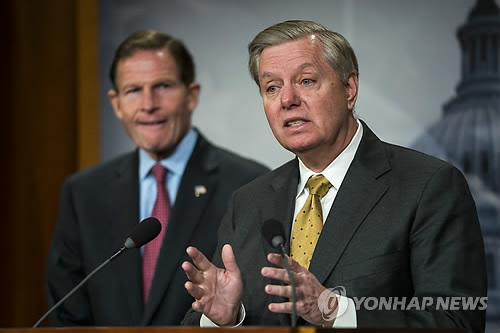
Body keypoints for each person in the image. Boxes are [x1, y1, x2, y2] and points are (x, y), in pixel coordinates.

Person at [181, 20, 487, 331]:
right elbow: (201, 320)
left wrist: (334, 312)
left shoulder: (428, 186)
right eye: (272, 87)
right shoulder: (247, 203)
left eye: (306, 80)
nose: (287, 99)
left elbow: (457, 319)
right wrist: (227, 319)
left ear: (349, 89)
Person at [45, 30, 269, 326]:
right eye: (133, 90)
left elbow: (260, 305)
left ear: (191, 95)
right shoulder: (84, 192)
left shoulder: (249, 185)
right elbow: (67, 312)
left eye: (162, 86)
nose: (148, 104)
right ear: (116, 103)